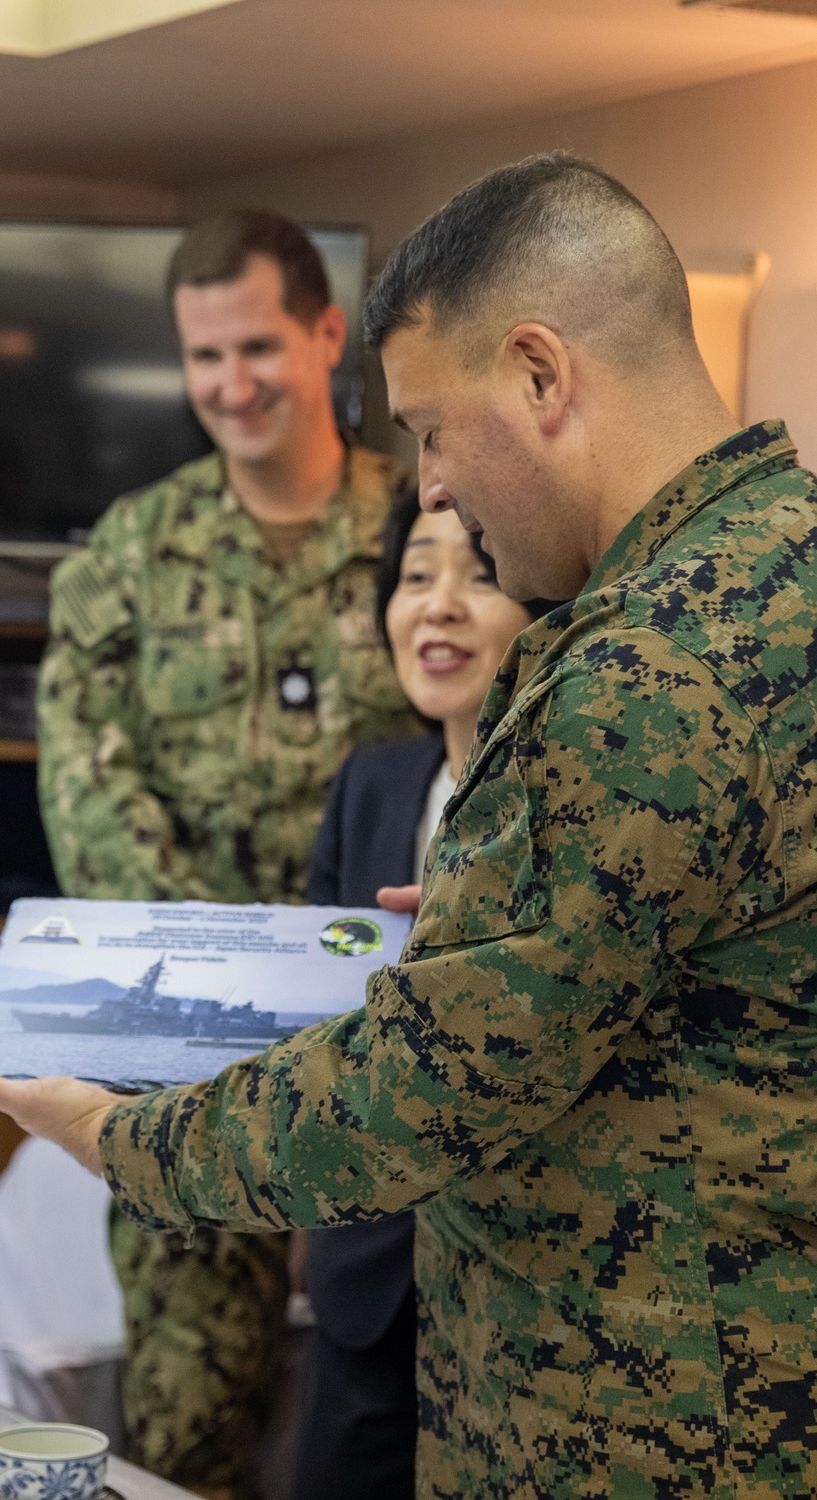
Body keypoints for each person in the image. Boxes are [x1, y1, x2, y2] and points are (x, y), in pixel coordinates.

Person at [0, 153, 817, 1499]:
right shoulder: (783, 569)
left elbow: (419, 1091)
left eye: (428, 427)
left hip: (641, 1425)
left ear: (541, 376)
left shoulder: (641, 668)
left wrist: (121, 1138)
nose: (427, 490)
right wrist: (506, 926)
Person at [36, 209, 417, 1500]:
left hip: (388, 1042)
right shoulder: (131, 555)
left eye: (258, 345)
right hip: (186, 1051)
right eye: (205, 357)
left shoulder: (428, 537)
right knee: (186, 1417)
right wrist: (208, 977)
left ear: (324, 335)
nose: (233, 384)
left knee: (385, 1402)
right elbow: (84, 774)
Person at [294, 485, 549, 1500]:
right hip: (365, 1287)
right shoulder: (370, 783)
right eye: (413, 575)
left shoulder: (583, 804)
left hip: (522, 1305)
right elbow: (315, 1020)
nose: (436, 605)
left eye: (479, 574)